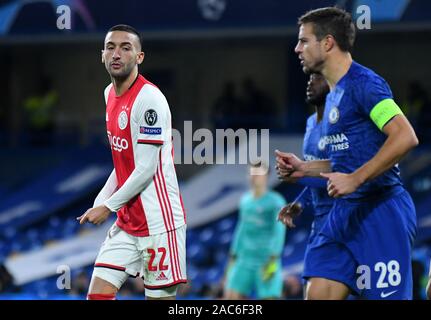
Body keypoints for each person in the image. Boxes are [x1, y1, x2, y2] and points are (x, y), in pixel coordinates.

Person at [276, 7, 418, 299]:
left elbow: (405, 136)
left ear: (327, 43)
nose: (296, 48)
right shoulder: (332, 95)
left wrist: (355, 178)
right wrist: (304, 168)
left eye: (304, 41)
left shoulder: (367, 85)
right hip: (341, 216)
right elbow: (346, 160)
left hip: (380, 213)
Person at [77, 24, 187, 300]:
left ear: (139, 57)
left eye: (126, 48)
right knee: (97, 295)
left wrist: (108, 206)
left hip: (159, 223)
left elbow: (146, 169)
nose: (117, 53)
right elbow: (123, 161)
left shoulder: (149, 99)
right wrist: (99, 202)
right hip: (128, 223)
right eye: (111, 47)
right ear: (102, 54)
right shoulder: (108, 94)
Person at [278, 73, 333, 296]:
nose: (311, 81)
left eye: (318, 77)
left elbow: (347, 167)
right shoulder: (310, 124)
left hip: (346, 219)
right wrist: (300, 203)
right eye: (309, 77)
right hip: (320, 226)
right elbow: (312, 169)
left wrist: (301, 171)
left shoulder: (341, 122)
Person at [224, 162, 286, 299]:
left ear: (267, 176)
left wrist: (273, 257)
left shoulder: (276, 201)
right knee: (231, 295)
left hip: (266, 259)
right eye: (251, 173)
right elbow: (241, 228)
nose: (254, 176)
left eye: (258, 173)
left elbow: (279, 230)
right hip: (244, 258)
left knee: (269, 297)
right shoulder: (245, 200)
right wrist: (233, 254)